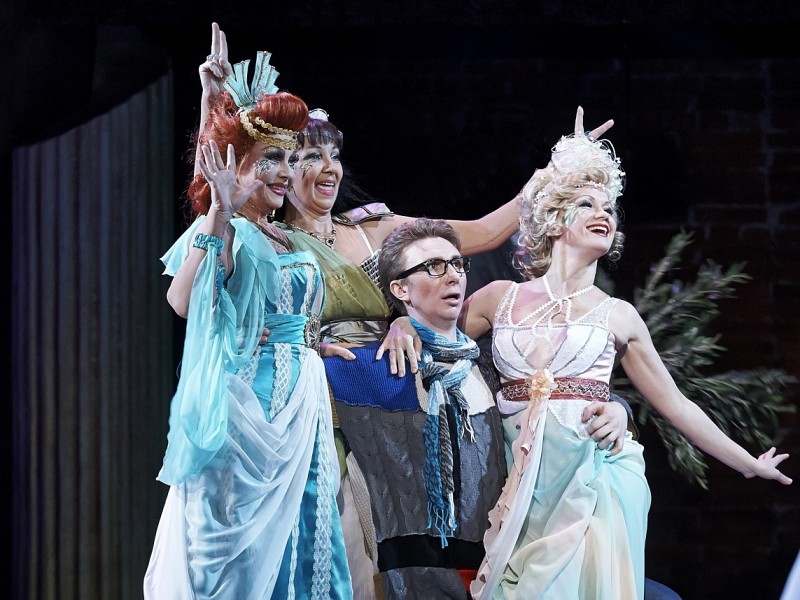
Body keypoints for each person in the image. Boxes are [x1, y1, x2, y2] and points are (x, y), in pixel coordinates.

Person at [386, 122, 792, 599]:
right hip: (519, 481)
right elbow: (441, 337)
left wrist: (747, 464)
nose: (603, 214)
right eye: (586, 204)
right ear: (555, 221)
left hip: (595, 477)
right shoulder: (499, 297)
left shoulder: (618, 316)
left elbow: (677, 406)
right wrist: (402, 323)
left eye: (609, 208)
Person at [143, 51, 352, 598]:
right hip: (252, 406)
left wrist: (312, 342)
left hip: (302, 398)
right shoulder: (230, 229)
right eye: (272, 159)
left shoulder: (287, 235)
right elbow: (183, 298)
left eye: (290, 159)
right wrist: (220, 205)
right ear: (240, 166)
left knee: (307, 531)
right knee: (238, 552)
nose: (285, 172)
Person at [323, 218, 508, 598]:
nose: (453, 276)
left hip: (498, 574)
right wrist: (315, 346)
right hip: (413, 583)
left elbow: (557, 399)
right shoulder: (371, 369)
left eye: (457, 264)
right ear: (400, 289)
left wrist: (618, 411)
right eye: (433, 266)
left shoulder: (490, 366)